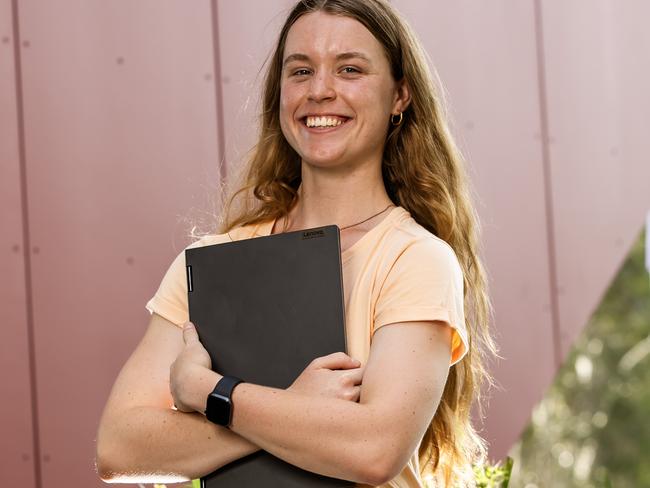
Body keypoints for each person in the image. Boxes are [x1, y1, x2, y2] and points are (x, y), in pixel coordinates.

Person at [96, 0, 496, 486]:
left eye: (350, 69)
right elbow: (119, 447)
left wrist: (211, 393)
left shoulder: (416, 260)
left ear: (400, 96)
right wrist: (291, 408)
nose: (320, 91)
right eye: (300, 71)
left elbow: (374, 449)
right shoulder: (209, 263)